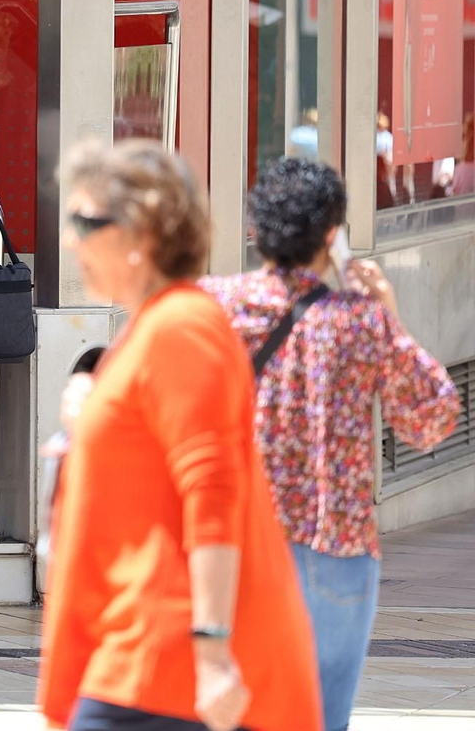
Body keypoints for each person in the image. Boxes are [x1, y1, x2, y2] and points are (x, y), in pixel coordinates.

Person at [39, 140, 321, 731]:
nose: (69, 240)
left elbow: (213, 489)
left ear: (142, 233)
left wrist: (212, 652)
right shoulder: (154, 326)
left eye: (86, 223)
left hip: (168, 669)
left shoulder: (181, 326)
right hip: (142, 656)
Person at [202, 159, 457, 731]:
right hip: (334, 545)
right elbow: (431, 418)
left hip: (235, 546)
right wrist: (388, 311)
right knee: (320, 718)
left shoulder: (214, 308)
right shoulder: (360, 320)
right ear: (331, 236)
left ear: (256, 229)